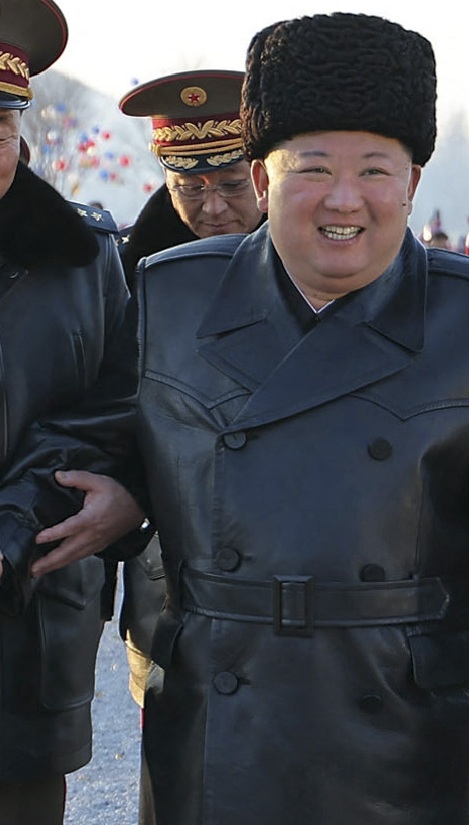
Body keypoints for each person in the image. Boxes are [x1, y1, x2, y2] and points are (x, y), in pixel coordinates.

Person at [131, 14, 469, 824]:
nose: (344, 200)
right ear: (261, 178)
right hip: (225, 697)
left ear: (413, 184)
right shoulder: (167, 294)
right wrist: (108, 490)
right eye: (311, 168)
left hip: (407, 708)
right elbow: (103, 432)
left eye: (376, 170)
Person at [0, 0, 144, 821]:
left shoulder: (85, 259)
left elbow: (120, 404)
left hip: (34, 606)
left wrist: (18, 525)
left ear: (19, 135)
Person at [113, 67, 264, 825]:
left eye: (232, 183)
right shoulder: (127, 279)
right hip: (171, 585)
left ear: (264, 169)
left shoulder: (325, 264)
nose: (211, 206)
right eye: (188, 185)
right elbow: (104, 421)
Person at [118, 69, 262, 282]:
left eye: (232, 185)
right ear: (168, 182)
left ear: (263, 177)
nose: (213, 208)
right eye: (191, 189)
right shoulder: (124, 274)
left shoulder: (311, 253)